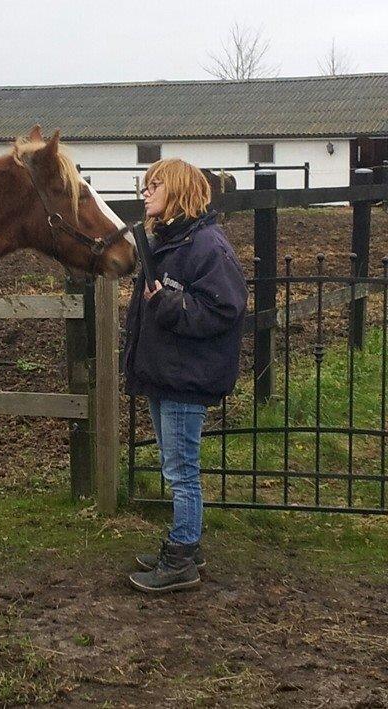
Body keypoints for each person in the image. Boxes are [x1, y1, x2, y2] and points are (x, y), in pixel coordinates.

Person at [124, 159, 247, 593]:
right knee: (176, 468)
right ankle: (187, 548)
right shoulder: (170, 242)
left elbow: (224, 309)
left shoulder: (207, 246)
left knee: (181, 473)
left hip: (184, 379)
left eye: (154, 185)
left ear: (177, 190)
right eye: (145, 185)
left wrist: (169, 305)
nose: (145, 193)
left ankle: (181, 557)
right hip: (166, 374)